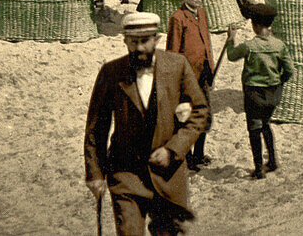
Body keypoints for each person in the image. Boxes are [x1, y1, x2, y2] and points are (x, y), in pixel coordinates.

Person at [84, 12, 209, 236]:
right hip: (126, 173)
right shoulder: (111, 73)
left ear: (157, 39)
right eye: (133, 42)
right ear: (124, 41)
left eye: (145, 41)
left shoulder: (177, 66)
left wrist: (173, 149)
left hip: (169, 175)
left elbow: (199, 112)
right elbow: (96, 127)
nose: (139, 47)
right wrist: (94, 173)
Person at [225, 3, 294, 179]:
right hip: (273, 93)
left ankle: (258, 169)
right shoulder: (279, 45)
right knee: (266, 124)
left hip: (254, 93)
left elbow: (232, 56)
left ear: (255, 25)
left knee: (254, 128)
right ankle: (272, 161)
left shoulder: (249, 46)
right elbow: (290, 71)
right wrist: (278, 82)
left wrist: (231, 38)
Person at [166, 0, 215, 172]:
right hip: (186, 77)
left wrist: (209, 68)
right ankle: (186, 158)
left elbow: (207, 43)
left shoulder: (202, 14)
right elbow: (172, 51)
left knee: (203, 115)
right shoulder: (178, 18)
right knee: (186, 117)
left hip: (202, 73)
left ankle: (199, 155)